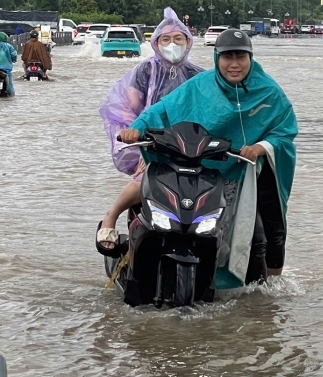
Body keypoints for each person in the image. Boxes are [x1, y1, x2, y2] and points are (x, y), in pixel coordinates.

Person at [118, 28, 297, 279]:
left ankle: (267, 300)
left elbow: (285, 130)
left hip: (249, 171)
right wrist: (136, 129)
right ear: (216, 58)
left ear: (251, 58)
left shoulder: (268, 91)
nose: (234, 64)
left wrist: (260, 147)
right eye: (227, 57)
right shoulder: (199, 86)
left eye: (240, 57)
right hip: (205, 169)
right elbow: (161, 111)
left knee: (266, 235)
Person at [97, 7, 203, 251]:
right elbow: (126, 108)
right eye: (165, 39)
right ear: (156, 43)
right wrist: (140, 140)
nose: (172, 44)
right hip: (152, 144)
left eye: (178, 38)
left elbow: (212, 111)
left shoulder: (199, 75)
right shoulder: (145, 70)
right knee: (144, 179)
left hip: (191, 146)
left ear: (188, 41)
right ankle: (110, 216)